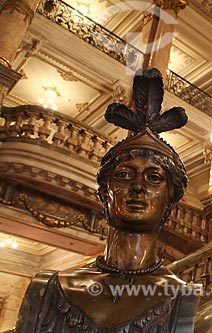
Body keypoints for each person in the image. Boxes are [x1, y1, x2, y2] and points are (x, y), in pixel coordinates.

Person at [15, 68, 200, 332]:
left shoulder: (183, 295)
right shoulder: (47, 288)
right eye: (124, 175)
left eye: (154, 178)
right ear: (105, 193)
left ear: (169, 202)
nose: (138, 187)